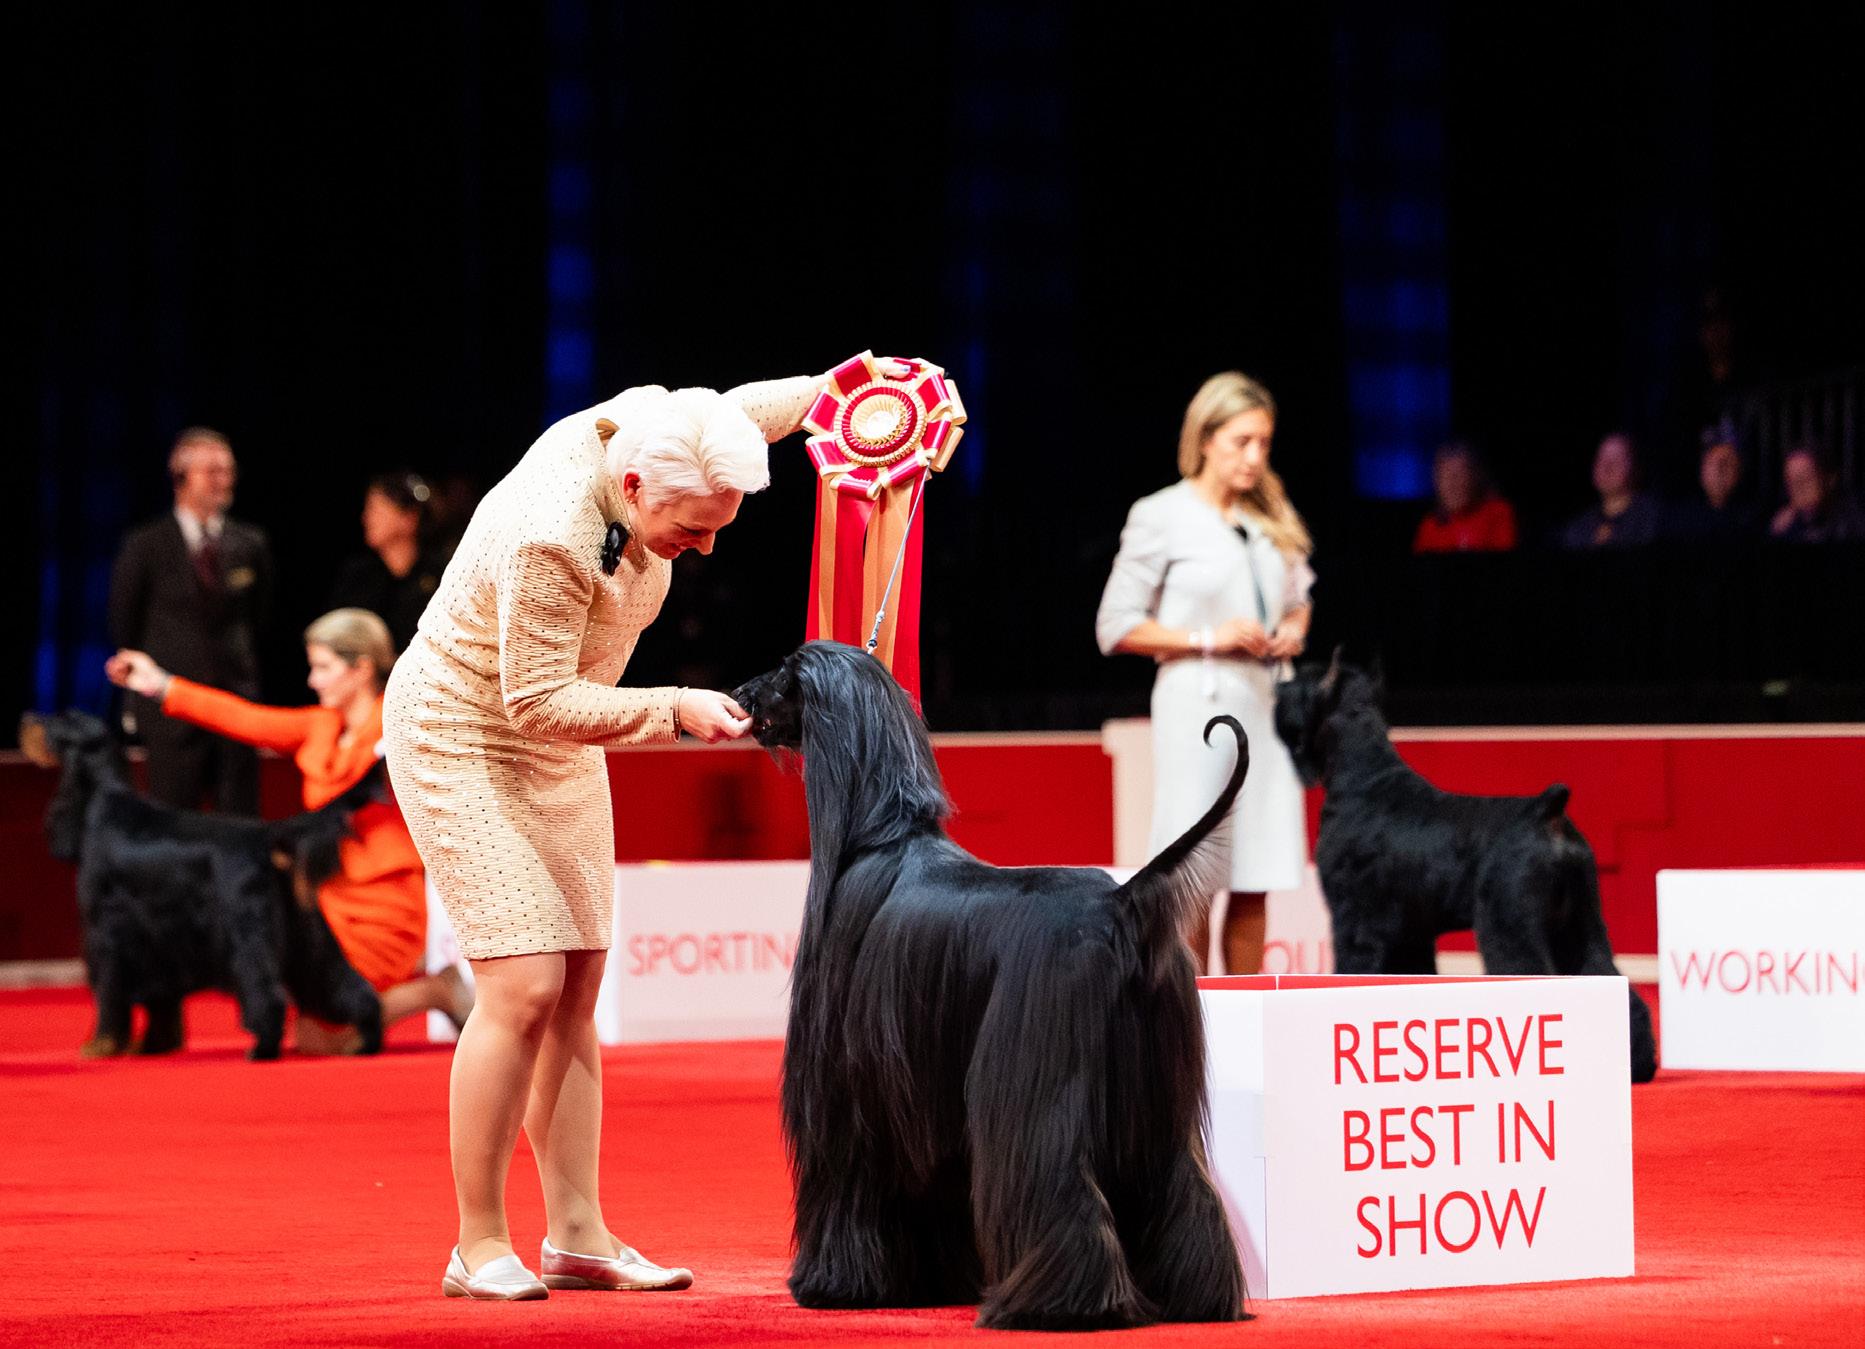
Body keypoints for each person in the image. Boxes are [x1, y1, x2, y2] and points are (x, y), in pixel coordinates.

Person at [382, 366, 836, 1301]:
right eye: (692, 529)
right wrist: (673, 708)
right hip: (463, 730)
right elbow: (535, 699)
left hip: (562, 733)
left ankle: (579, 1233)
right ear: (631, 486)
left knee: (578, 982)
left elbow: (746, 412)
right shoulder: (551, 536)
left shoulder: (662, 433)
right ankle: (477, 1241)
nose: (705, 547)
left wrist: (844, 385)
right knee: (523, 984)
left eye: (719, 525)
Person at [105, 609, 469, 1053]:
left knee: (332, 1036)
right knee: (314, 1039)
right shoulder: (319, 725)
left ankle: (437, 991)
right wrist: (159, 683)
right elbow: (244, 718)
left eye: (323, 668)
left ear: (361, 669)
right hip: (325, 897)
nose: (313, 680)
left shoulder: (404, 721)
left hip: (386, 898)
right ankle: (432, 990)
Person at [1096, 371, 1314, 979]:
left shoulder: (1269, 514)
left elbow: (1298, 597)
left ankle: (1245, 1008)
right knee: (1195, 867)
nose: (1255, 457)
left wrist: (1292, 628)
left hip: (1263, 702)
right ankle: (1191, 1013)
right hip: (1197, 703)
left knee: (1256, 867)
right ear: (1206, 438)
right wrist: (1207, 638)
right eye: (1242, 441)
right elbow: (1114, 626)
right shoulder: (1162, 514)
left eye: (1264, 443)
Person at [108, 427, 274, 813]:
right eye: (212, 471)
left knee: (239, 823)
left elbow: (261, 620)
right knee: (173, 824)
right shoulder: (146, 544)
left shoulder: (250, 543)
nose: (224, 480)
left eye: (228, 471)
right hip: (172, 715)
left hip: (235, 708)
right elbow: (123, 623)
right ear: (181, 477)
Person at [328, 472, 449, 652]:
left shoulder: (440, 576)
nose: (366, 518)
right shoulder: (358, 576)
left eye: (375, 510)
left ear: (409, 518)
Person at [1558, 431, 1664, 549]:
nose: (1607, 467)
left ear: (1635, 467)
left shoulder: (1652, 519)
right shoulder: (1580, 528)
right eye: (1601, 459)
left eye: (1617, 460)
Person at [1411, 441, 1518, 553]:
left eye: (1459, 474)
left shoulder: (1498, 513)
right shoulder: (1430, 525)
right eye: (1445, 476)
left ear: (1474, 476)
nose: (1452, 484)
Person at [1667, 425, 1759, 541]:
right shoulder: (1679, 520)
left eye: (1726, 463)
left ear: (1740, 470)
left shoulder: (1753, 521)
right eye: (1712, 462)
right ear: (1702, 469)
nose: (1719, 471)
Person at [1770, 443, 1865, 543]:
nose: (1798, 488)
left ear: (1830, 480)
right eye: (1790, 480)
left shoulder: (1855, 521)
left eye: (1806, 478)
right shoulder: (1786, 524)